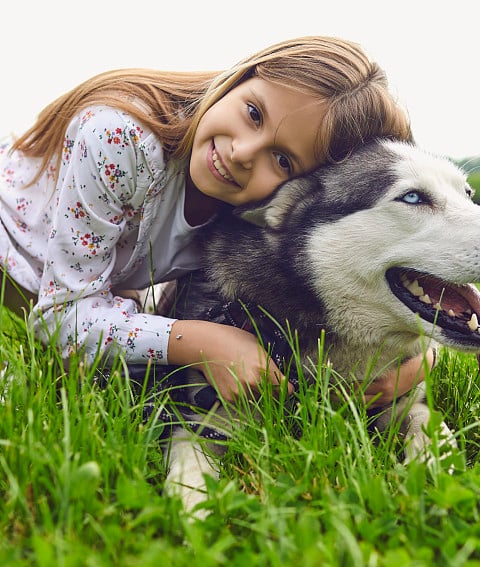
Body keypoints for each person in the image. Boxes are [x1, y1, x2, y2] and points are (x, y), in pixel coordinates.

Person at [0, 35, 434, 406]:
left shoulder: (251, 211)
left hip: (93, 278)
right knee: (80, 383)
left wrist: (412, 368)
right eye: (253, 114)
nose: (242, 153)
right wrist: (205, 343)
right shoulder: (121, 138)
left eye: (282, 160)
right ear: (241, 78)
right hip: (14, 258)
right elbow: (62, 318)